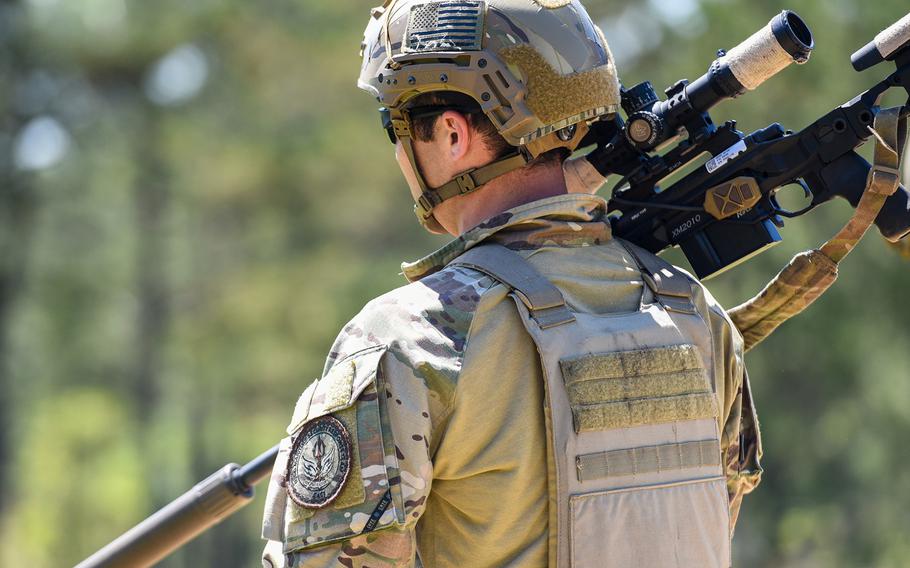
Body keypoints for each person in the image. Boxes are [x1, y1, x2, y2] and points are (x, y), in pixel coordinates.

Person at [261, 1, 762, 566]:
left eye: (394, 127)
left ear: (451, 134)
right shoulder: (692, 311)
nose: (400, 154)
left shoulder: (410, 337)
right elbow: (716, 520)